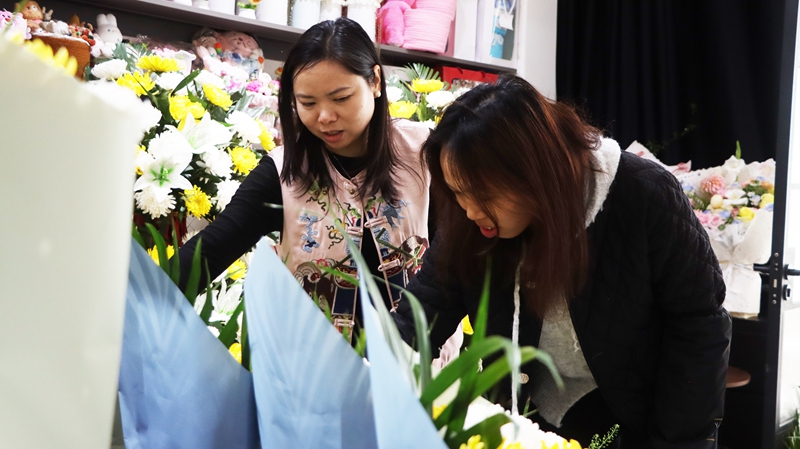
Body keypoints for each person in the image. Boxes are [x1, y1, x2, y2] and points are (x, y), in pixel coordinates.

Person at [394, 75, 732, 448]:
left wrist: (678, 443)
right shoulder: (471, 221)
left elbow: (700, 328)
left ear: (534, 173)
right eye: (458, 193)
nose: (470, 210)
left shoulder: (643, 195)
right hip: (520, 418)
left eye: (483, 195)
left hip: (632, 420)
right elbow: (422, 312)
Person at [179, 18, 431, 339]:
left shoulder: (425, 154)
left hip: (420, 368)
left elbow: (454, 265)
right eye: (308, 103)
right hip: (316, 370)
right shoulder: (285, 170)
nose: (324, 116)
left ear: (375, 81)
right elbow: (211, 250)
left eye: (340, 98)